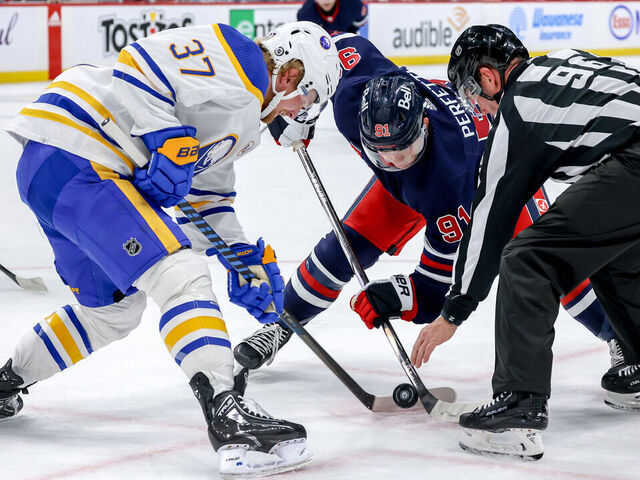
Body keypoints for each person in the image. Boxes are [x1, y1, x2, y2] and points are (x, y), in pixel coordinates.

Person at [1, 21, 341, 478]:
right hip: (84, 149)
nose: (301, 112)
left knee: (113, 310)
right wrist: (165, 137)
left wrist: (244, 261)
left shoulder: (243, 125)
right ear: (291, 75)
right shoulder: (239, 57)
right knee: (179, 271)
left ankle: (8, 380)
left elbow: (207, 201)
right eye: (309, 99)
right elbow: (139, 64)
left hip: (57, 173)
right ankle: (228, 413)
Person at [232, 32, 622, 390]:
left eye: (404, 149)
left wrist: (395, 296)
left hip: (489, 177)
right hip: (415, 186)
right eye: (380, 152)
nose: (395, 160)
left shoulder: (450, 186)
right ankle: (280, 323)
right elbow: (327, 47)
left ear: (423, 128)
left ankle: (621, 336)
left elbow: (437, 290)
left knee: (553, 261)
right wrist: (295, 105)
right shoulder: (354, 98)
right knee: (341, 249)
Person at [410, 24, 640, 459]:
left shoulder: (518, 109)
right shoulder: (566, 58)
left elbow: (491, 220)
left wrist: (455, 309)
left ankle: (519, 407)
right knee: (615, 251)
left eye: (471, 93)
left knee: (527, 258)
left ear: (489, 77)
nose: (475, 107)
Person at [297, 0, 368, 35]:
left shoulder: (354, 5)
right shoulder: (305, 14)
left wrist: (351, 34)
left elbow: (359, 22)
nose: (326, 1)